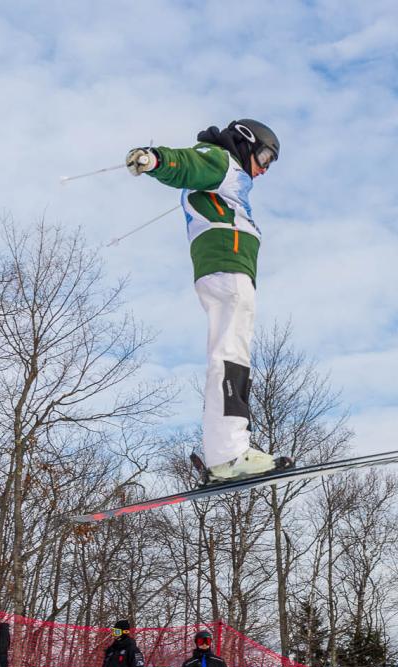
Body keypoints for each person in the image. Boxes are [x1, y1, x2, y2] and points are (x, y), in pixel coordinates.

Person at [125, 119, 280, 480]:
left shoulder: (228, 177)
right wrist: (157, 160)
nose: (265, 168)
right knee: (231, 355)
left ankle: (223, 450)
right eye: (265, 156)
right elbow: (191, 164)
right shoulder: (224, 162)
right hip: (229, 271)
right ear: (245, 143)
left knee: (227, 355)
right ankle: (229, 453)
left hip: (225, 271)